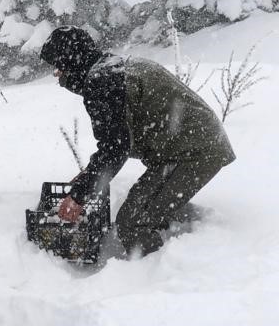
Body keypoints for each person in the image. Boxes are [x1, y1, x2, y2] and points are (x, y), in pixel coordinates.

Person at [39, 26, 235, 257]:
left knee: (131, 223)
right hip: (189, 145)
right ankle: (178, 228)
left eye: (58, 66)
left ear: (71, 61)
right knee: (147, 208)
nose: (56, 74)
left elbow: (115, 149)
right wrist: (89, 176)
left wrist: (79, 195)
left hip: (194, 151)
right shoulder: (109, 69)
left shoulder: (102, 81)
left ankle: (157, 279)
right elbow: (119, 140)